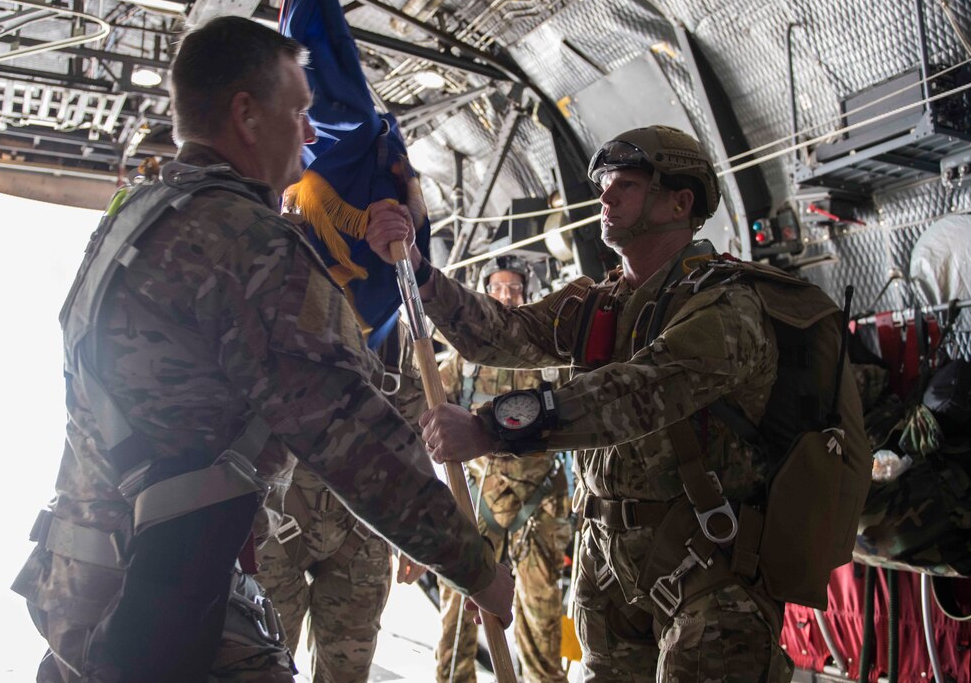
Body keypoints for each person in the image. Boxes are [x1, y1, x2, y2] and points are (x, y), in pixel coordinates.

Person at [11, 15, 512, 683]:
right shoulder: (249, 243)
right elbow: (351, 438)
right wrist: (475, 568)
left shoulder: (133, 218)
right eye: (299, 111)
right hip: (166, 597)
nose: (309, 133)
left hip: (82, 583)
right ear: (247, 115)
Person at [366, 125, 795, 682]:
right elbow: (505, 335)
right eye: (603, 184)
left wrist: (491, 428)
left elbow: (633, 394)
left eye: (627, 184)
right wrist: (421, 275)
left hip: (706, 570)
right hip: (609, 568)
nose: (605, 196)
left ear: (679, 202)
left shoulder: (727, 307)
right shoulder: (600, 303)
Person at [255, 322, 427, 681]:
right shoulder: (273, 311)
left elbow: (414, 440)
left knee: (347, 673)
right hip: (275, 523)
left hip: (363, 531)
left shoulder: (397, 342)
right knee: (258, 666)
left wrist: (418, 526)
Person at [434, 255, 572, 683]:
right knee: (458, 614)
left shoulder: (550, 358)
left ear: (526, 295)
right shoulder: (464, 362)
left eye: (514, 288)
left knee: (541, 615)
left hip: (540, 502)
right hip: (479, 500)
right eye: (497, 288)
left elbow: (583, 415)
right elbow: (428, 405)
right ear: (485, 293)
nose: (507, 295)